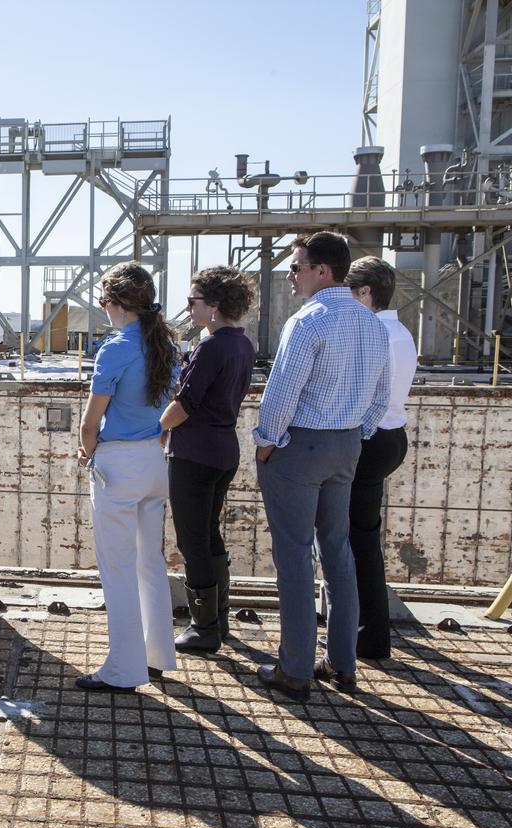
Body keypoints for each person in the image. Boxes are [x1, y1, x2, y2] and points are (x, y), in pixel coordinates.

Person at [253, 232, 390, 699]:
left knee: (293, 557)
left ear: (323, 271)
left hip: (302, 446)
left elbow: (281, 393)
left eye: (296, 267)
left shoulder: (308, 321)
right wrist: (359, 433)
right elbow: (381, 396)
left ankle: (294, 669)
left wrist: (266, 443)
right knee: (338, 551)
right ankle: (342, 661)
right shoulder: (372, 324)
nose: (290, 275)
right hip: (347, 444)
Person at [74, 261, 180, 692]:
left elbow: (89, 422)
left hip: (119, 465)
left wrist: (88, 451)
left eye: (102, 299)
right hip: (155, 461)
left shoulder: (116, 346)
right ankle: (157, 654)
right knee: (149, 563)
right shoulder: (165, 346)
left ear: (113, 302)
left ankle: (123, 668)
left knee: (117, 569)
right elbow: (170, 408)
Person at [160, 266, 257, 654]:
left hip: (194, 453)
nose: (187, 307)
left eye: (193, 301)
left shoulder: (212, 346)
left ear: (214, 306)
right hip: (223, 450)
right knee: (210, 533)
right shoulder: (242, 344)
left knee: (192, 539)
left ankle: (204, 628)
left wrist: (158, 427)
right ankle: (220, 616)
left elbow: (185, 402)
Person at [345, 257, 416, 660]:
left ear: (365, 293)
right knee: (364, 540)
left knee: (351, 543)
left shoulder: (371, 331)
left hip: (369, 440)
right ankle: (371, 636)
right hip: (392, 436)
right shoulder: (400, 331)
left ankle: (364, 637)